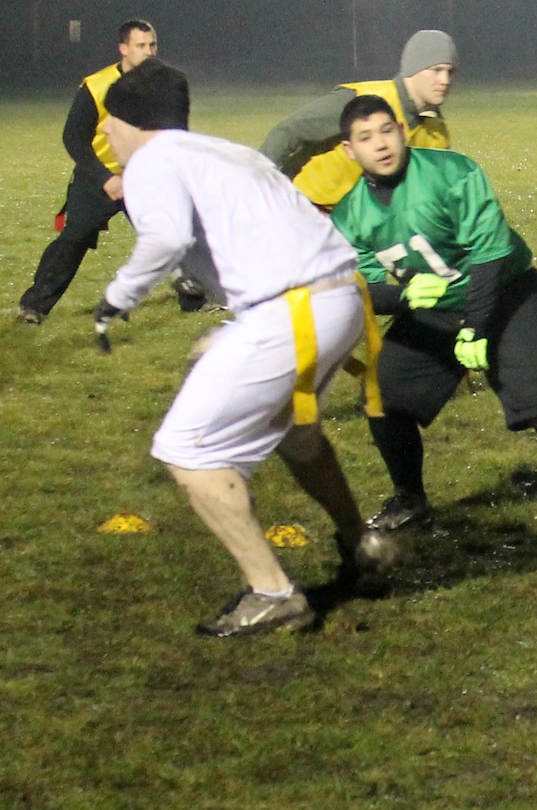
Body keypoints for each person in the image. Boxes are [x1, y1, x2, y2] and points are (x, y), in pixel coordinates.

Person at [93, 60, 390, 637]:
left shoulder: (155, 158)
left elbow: (167, 237)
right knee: (297, 434)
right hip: (340, 298)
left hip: (296, 307)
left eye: (109, 122)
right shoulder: (223, 152)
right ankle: (362, 544)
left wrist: (116, 298)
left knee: (186, 450)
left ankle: (274, 593)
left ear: (130, 119)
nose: (105, 133)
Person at [331, 95, 537, 546]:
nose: (380, 144)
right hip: (436, 308)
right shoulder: (350, 214)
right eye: (365, 137)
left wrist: (475, 328)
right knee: (384, 396)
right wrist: (404, 296)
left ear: (402, 132)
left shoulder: (452, 172)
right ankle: (410, 499)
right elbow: (361, 290)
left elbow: (488, 256)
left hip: (504, 295)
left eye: (387, 130)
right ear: (349, 150)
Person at [19, 20, 160, 323]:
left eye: (152, 45)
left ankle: (197, 297)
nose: (148, 52)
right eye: (141, 46)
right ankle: (34, 307)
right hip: (98, 178)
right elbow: (73, 138)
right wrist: (105, 178)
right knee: (73, 240)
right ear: (124, 49)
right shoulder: (96, 86)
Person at [261, 30, 456, 208]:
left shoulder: (437, 133)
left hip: (359, 229)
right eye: (436, 70)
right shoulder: (360, 98)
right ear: (414, 69)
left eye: (450, 71)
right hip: (305, 210)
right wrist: (257, 186)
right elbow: (289, 131)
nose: (445, 80)